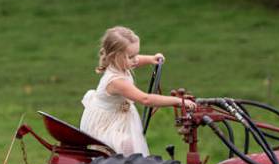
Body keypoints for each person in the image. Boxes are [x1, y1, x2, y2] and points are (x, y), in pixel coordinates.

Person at [80, 26, 194, 155]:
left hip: (118, 116)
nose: (135, 59)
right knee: (126, 147)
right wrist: (178, 101)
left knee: (130, 148)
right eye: (131, 56)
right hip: (106, 124)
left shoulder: (121, 63)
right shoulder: (117, 81)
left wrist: (151, 59)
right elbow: (145, 99)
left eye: (136, 54)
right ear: (115, 57)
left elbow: (137, 60)